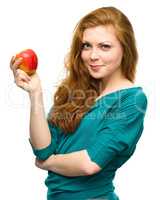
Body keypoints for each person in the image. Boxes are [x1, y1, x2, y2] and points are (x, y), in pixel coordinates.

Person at [10, 6, 147, 200]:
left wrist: (49, 163)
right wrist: (35, 94)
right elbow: (43, 149)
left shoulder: (132, 100)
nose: (92, 55)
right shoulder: (75, 90)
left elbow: (90, 163)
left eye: (105, 46)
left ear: (125, 49)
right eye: (86, 45)